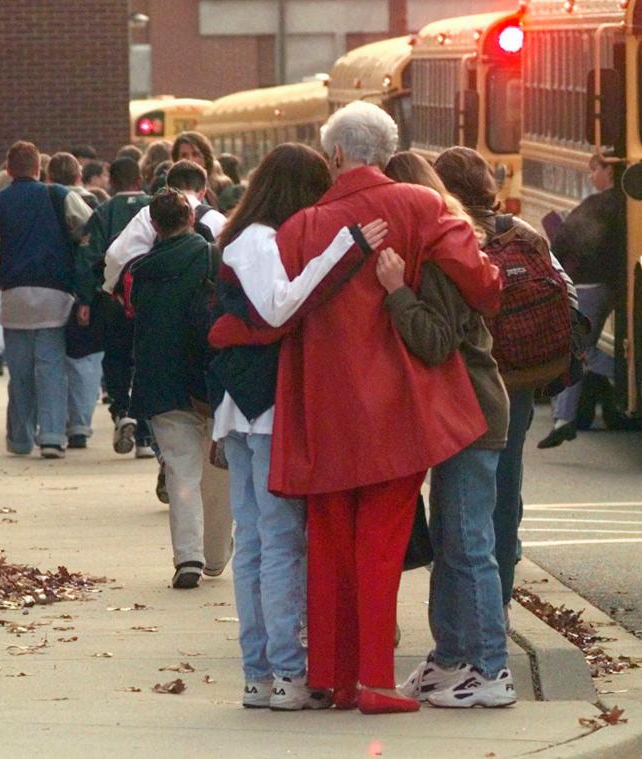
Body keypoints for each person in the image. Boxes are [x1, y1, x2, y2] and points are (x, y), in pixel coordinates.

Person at [210, 101, 501, 714]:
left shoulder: (301, 227)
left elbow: (273, 310)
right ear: (386, 148)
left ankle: (330, 678)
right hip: (399, 410)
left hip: (320, 411)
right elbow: (483, 284)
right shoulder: (423, 207)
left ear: (335, 154)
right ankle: (373, 680)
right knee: (381, 543)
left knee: (329, 542)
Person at [208, 142, 388, 710]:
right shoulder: (260, 240)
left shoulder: (242, 237)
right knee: (279, 544)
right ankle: (284, 673)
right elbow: (280, 306)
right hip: (264, 415)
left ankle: (260, 674)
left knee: (258, 545)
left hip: (240, 410)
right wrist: (346, 245)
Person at [382, 152, 515, 708]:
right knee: (455, 539)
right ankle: (452, 656)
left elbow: (435, 340)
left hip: (470, 413)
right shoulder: (452, 245)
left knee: (467, 544)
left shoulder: (434, 262)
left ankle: (490, 668)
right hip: (467, 413)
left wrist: (395, 292)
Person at [433, 145, 577, 620]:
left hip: (463, 375)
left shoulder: (448, 235)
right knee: (505, 478)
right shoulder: (525, 234)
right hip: (516, 379)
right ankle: (500, 591)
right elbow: (567, 294)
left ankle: (467, 605)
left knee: (459, 489)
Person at [127, 188, 231, 589]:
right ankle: (217, 554)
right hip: (209, 383)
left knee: (180, 471)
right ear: (192, 218)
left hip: (162, 384)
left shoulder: (143, 272)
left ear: (153, 225)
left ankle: (188, 555)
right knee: (218, 472)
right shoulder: (211, 258)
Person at [0, 141, 92, 458]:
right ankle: (51, 436)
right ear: (39, 168)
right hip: (54, 292)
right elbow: (88, 226)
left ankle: (20, 437)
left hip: (13, 294)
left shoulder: (0, 201)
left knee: (20, 372)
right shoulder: (58, 195)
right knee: (50, 368)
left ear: (9, 170)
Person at [538, 153, 626, 448]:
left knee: (575, 349)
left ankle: (624, 373)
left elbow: (564, 240)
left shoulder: (596, 206)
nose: (591, 177)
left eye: (595, 170)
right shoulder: (627, 203)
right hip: (611, 284)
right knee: (578, 348)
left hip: (587, 285)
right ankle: (563, 418)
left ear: (609, 170)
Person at [77, 157, 154, 459]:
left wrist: (84, 299)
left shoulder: (103, 213)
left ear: (112, 182)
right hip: (149, 301)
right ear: (139, 180)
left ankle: (123, 410)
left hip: (112, 300)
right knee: (147, 363)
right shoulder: (154, 207)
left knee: (117, 356)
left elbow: (87, 260)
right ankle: (146, 434)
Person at [46, 152, 102, 450]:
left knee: (56, 359)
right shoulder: (96, 203)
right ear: (79, 175)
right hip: (85, 290)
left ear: (49, 177)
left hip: (57, 286)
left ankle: (56, 422)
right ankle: (80, 424)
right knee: (85, 359)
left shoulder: (49, 200)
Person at [103, 160, 226, 294]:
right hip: (199, 306)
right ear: (203, 193)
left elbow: (115, 257)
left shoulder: (148, 214)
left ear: (167, 188)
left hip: (153, 304)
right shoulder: (218, 220)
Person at [171, 132, 231, 200]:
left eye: (195, 154)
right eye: (184, 155)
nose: (190, 160)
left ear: (206, 159)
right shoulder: (171, 195)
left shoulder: (220, 189)